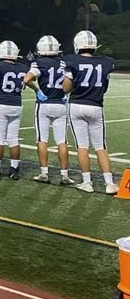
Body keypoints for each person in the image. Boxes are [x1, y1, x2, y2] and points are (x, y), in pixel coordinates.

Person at [63, 30, 118, 195]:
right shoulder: (106, 62)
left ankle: (87, 182)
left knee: (82, 146)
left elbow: (65, 88)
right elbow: (105, 88)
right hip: (95, 105)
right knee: (101, 146)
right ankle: (109, 184)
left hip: (76, 105)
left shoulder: (72, 60)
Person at [23, 35, 74, 186]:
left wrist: (37, 90)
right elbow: (71, 81)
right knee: (62, 141)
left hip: (44, 104)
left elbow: (27, 79)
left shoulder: (38, 63)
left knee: (42, 139)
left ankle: (44, 173)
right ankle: (64, 175)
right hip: (60, 103)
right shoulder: (65, 63)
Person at [0, 41, 24, 181]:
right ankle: (14, 170)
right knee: (13, 139)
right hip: (17, 105)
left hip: (1, 104)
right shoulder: (22, 68)